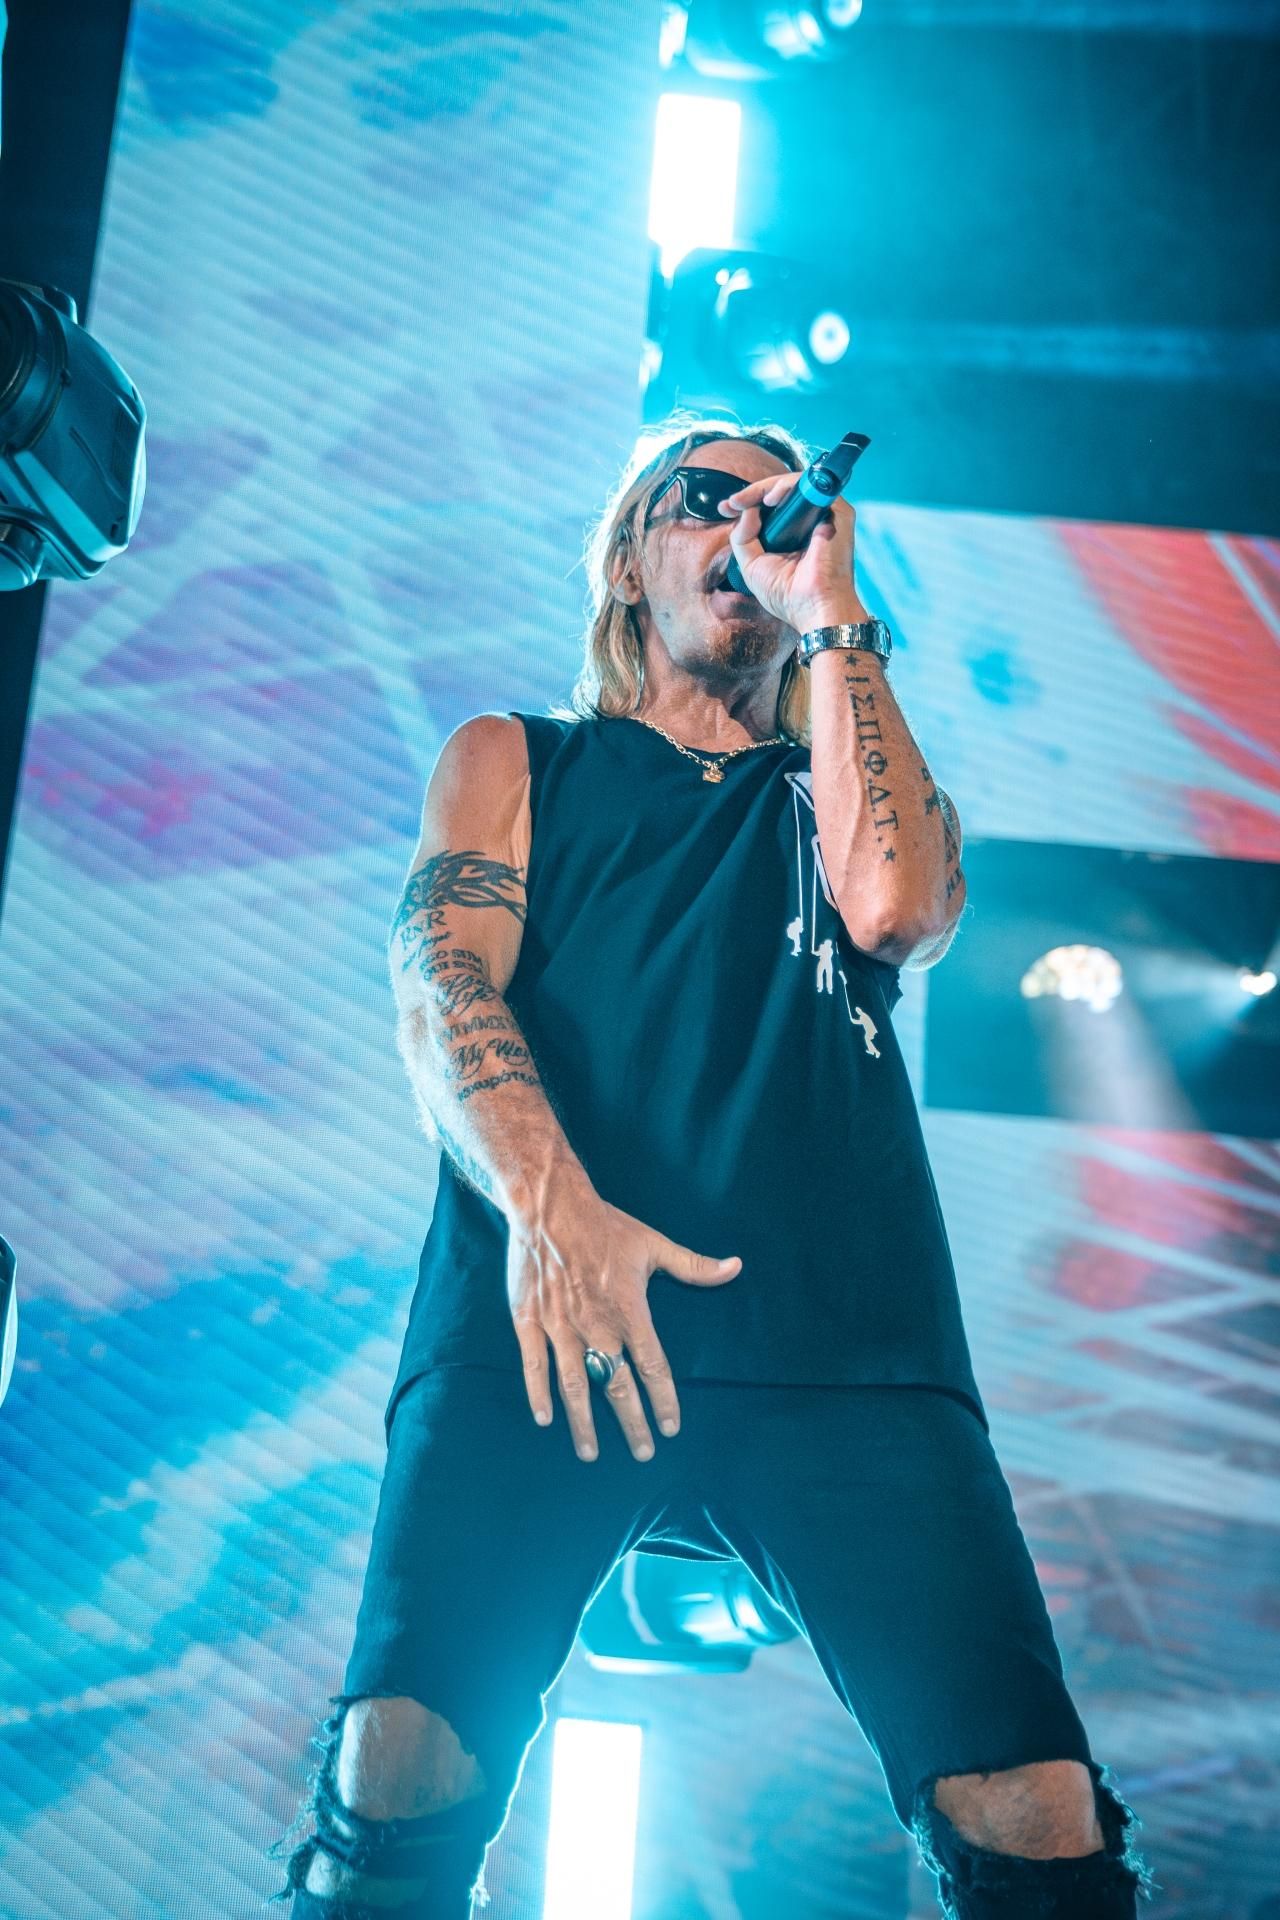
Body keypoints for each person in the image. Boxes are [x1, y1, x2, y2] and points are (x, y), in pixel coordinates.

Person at [268, 415, 1155, 1918]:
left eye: (775, 506)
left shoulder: (836, 781)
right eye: (704, 501)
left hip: (843, 1343)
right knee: (401, 1770)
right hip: (547, 1312)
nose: (747, 526)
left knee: (1034, 1812)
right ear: (629, 559)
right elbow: (442, 982)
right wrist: (557, 1213)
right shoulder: (520, 758)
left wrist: (835, 615)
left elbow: (899, 911)